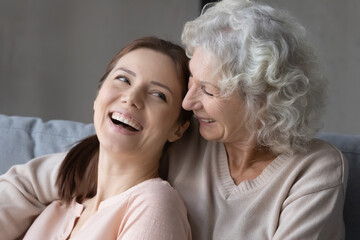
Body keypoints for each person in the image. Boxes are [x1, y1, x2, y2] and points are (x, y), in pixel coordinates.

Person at [0, 1, 347, 239]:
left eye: (208, 91)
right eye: (192, 80)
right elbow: (59, 175)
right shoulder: (189, 134)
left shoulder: (314, 172)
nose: (187, 100)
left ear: (261, 102)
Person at [1, 37, 192, 240]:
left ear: (178, 129)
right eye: (124, 79)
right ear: (98, 95)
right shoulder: (60, 205)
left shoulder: (155, 204)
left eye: (158, 94)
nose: (131, 98)